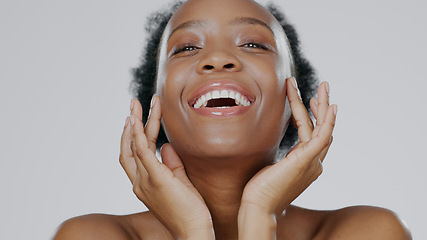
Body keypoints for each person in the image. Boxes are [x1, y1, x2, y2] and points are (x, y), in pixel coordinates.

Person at [53, 0, 411, 239]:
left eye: (253, 44)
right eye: (187, 47)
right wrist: (194, 229)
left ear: (294, 99)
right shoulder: (91, 235)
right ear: (154, 101)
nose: (218, 58)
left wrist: (260, 215)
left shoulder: (366, 231)